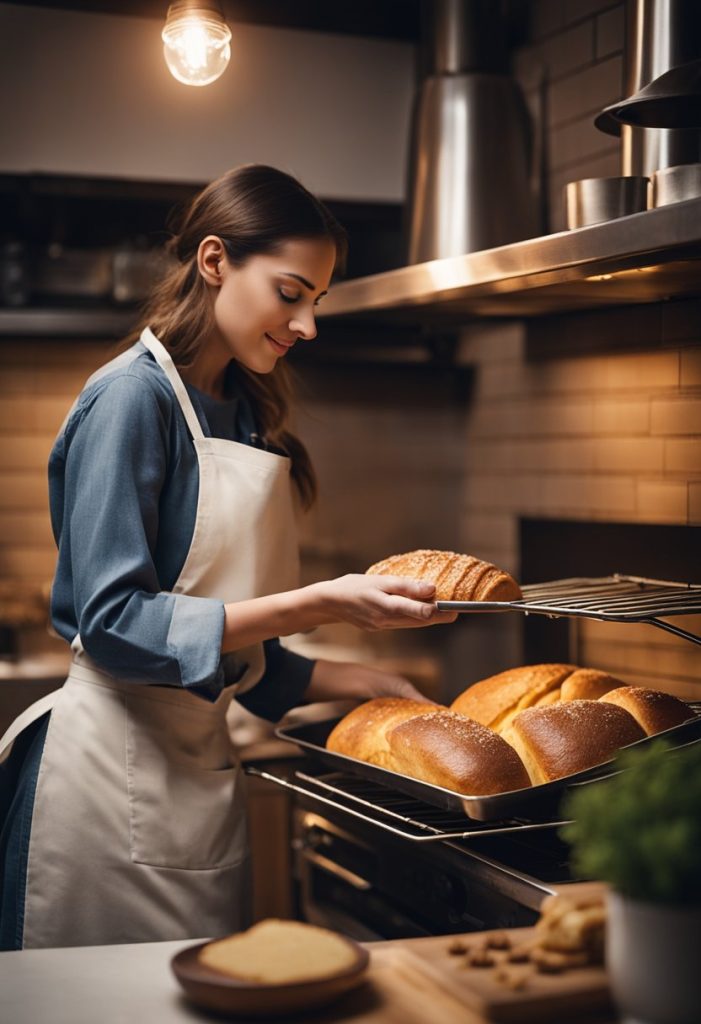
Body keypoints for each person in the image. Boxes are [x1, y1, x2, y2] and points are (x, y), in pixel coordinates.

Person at [0, 165, 457, 950]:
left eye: (316, 300)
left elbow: (247, 663)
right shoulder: (129, 400)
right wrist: (323, 601)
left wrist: (371, 684)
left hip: (199, 787)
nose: (307, 325)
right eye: (291, 293)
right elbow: (113, 623)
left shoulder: (243, 414)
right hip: (105, 787)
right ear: (215, 262)